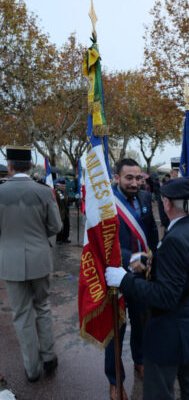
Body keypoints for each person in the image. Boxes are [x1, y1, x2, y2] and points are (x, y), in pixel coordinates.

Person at [106, 177, 189, 400]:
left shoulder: (177, 239)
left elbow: (165, 296)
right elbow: (185, 273)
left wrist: (124, 280)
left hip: (167, 336)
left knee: (158, 394)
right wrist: (149, 262)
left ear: (167, 204)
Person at [0, 146, 62, 382]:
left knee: (21, 314)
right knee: (43, 308)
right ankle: (49, 357)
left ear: (10, 166)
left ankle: (32, 368)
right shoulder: (44, 192)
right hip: (39, 258)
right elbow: (55, 227)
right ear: (30, 166)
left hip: (10, 260)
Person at [105, 158, 158, 400]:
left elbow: (151, 233)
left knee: (142, 322)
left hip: (142, 276)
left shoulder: (146, 198)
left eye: (138, 178)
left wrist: (152, 259)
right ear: (116, 177)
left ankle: (140, 360)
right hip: (116, 275)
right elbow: (102, 243)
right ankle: (115, 381)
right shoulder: (105, 203)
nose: (135, 182)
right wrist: (132, 257)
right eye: (129, 178)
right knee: (115, 330)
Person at [55, 178, 71, 244]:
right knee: (59, 226)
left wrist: (75, 198)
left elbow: (68, 199)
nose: (63, 187)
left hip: (66, 212)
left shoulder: (65, 191)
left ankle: (65, 238)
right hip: (59, 211)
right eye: (62, 186)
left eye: (64, 186)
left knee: (67, 225)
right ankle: (58, 239)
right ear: (58, 185)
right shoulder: (56, 192)